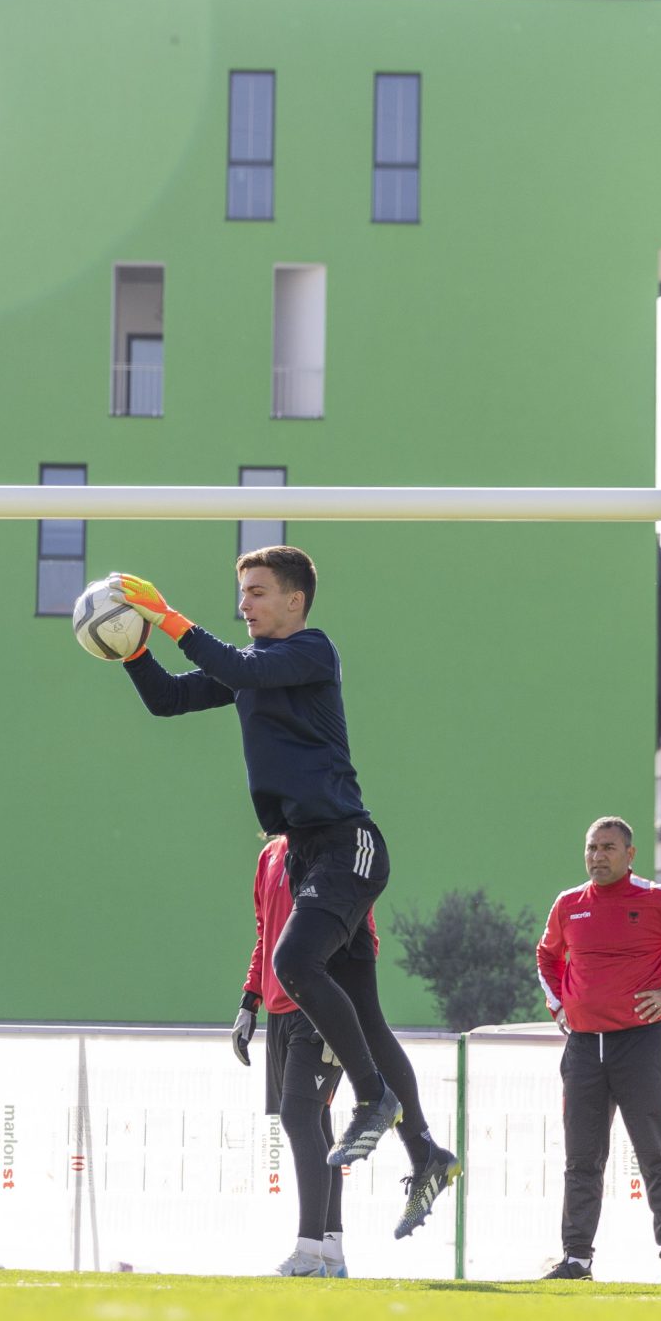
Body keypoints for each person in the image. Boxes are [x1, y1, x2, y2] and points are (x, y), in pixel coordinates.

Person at [115, 547, 417, 1168]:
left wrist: (168, 617)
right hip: (307, 854)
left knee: (295, 963)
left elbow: (236, 667)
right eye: (242, 593)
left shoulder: (313, 651)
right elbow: (168, 700)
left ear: (294, 601)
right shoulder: (249, 665)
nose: (243, 604)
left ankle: (373, 1100)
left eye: (256, 592)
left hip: (348, 843)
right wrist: (134, 650)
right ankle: (426, 1153)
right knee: (363, 1012)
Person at [232, 836, 460, 1277]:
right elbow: (266, 932)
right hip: (280, 1006)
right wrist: (250, 999)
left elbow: (351, 928)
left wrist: (344, 1002)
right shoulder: (270, 856)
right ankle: (331, 1252)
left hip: (318, 1008)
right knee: (314, 1125)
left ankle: (309, 1251)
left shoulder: (335, 850)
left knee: (300, 1119)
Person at [532, 817, 661, 1284]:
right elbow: (547, 956)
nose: (598, 856)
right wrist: (559, 1004)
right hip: (582, 1049)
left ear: (630, 853)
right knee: (581, 1160)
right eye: (591, 848)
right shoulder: (568, 905)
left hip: (638, 1045)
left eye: (608, 848)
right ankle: (576, 1260)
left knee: (656, 1155)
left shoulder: (659, 900)